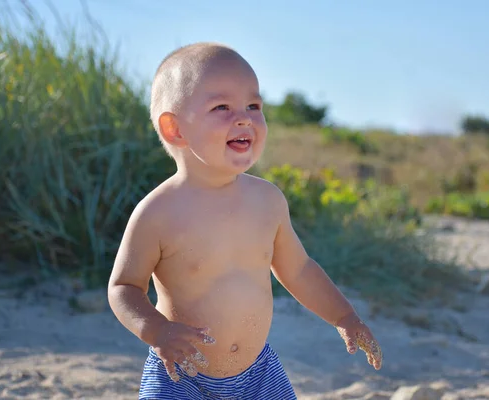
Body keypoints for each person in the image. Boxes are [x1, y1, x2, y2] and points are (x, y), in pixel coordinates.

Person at [107, 42, 383, 400]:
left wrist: (344, 316)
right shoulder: (159, 212)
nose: (244, 117)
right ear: (175, 128)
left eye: (254, 105)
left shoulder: (267, 201)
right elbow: (124, 288)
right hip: (181, 373)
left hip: (258, 374)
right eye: (221, 107)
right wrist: (157, 331)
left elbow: (298, 270)